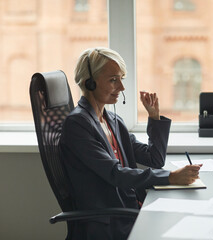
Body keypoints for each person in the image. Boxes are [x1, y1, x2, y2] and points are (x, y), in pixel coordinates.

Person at [59, 47, 201, 239]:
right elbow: (114, 174)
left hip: (130, 210)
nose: (122, 88)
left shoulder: (112, 121)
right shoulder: (77, 124)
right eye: (113, 80)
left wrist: (154, 117)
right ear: (90, 83)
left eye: (121, 79)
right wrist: (171, 177)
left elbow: (155, 158)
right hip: (110, 222)